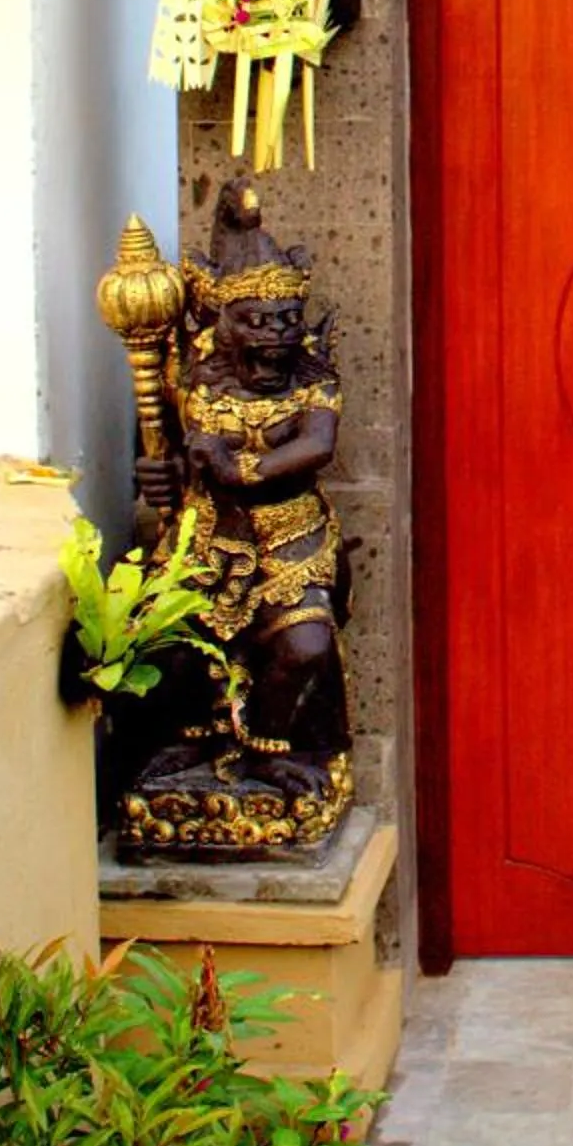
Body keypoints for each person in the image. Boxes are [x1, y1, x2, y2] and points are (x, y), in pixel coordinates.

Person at [123, 181, 354, 856]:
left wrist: (241, 471)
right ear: (224, 326)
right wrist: (157, 473)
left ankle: (272, 749)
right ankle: (190, 746)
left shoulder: (313, 381)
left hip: (289, 537)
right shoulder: (190, 380)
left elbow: (317, 446)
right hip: (206, 537)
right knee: (165, 642)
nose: (276, 337)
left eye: (287, 320)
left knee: (302, 647)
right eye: (258, 321)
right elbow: (157, 451)